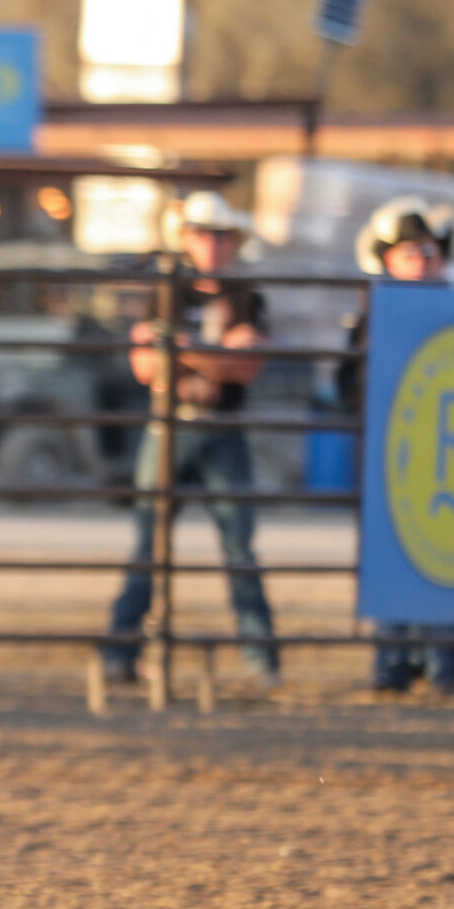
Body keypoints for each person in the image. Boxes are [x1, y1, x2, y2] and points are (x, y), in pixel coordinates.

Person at [102, 190, 280, 686]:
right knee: (148, 543)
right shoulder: (165, 288)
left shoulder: (245, 294)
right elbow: (144, 366)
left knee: (239, 546)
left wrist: (183, 351)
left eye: (220, 235)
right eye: (203, 233)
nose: (212, 243)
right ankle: (122, 648)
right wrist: (214, 355)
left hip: (218, 426)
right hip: (172, 424)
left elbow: (246, 365)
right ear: (185, 238)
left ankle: (260, 657)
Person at [340, 198, 454, 697]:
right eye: (410, 253)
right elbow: (350, 384)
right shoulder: (373, 312)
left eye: (427, 253)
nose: (421, 263)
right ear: (388, 260)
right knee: (394, 550)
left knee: (444, 552)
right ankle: (394, 663)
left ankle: (441, 664)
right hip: (398, 451)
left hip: (446, 453)